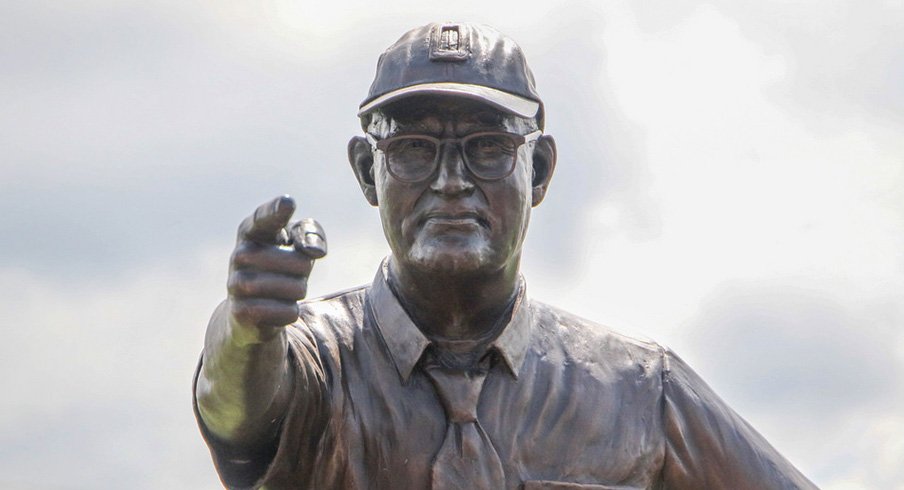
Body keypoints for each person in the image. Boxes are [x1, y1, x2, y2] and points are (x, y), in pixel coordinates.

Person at [193, 22, 818, 490]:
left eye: (488, 147)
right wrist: (245, 331)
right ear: (367, 173)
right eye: (413, 149)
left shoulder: (636, 389)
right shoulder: (317, 363)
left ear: (538, 169)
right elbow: (235, 402)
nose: (450, 181)